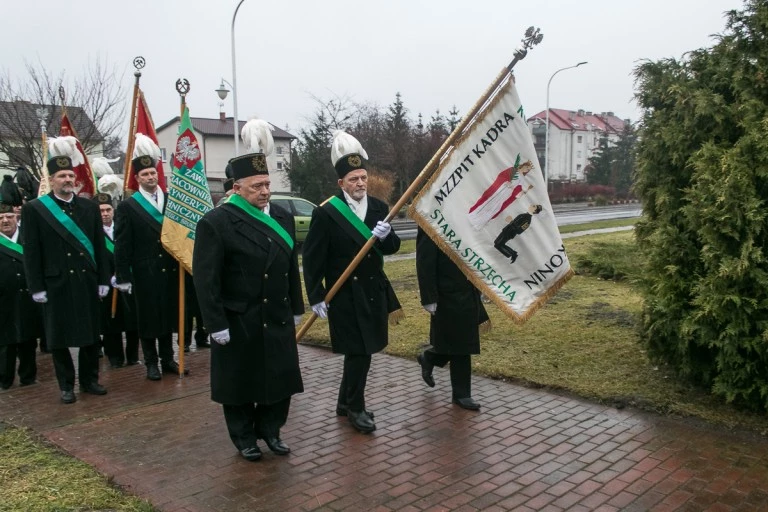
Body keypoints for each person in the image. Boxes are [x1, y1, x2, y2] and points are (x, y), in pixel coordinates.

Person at [194, 119, 304, 462]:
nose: (265, 191)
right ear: (237, 188)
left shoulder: (283, 216)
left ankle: (270, 430)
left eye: (268, 184)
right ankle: (244, 438)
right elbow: (206, 279)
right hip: (239, 317)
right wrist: (216, 324)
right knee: (240, 383)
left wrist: (296, 305)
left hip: (275, 314)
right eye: (257, 186)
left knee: (279, 379)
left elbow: (289, 265)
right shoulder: (216, 222)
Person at [302, 130, 402, 434]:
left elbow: (392, 247)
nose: (360, 184)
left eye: (363, 178)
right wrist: (316, 295)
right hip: (344, 295)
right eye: (353, 180)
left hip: (372, 292)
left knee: (364, 351)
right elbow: (312, 258)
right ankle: (356, 408)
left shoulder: (378, 208)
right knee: (358, 352)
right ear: (341, 183)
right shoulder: (327, 212)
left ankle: (345, 403)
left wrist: (387, 237)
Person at [21, 137, 110, 403]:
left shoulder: (89, 207)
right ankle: (66, 385)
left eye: (71, 175)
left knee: (90, 336)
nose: (68, 179)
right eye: (62, 176)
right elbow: (32, 251)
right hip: (56, 282)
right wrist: (35, 286)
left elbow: (98, 245)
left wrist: (103, 278)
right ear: (52, 179)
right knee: (59, 340)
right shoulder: (35, 210)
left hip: (85, 281)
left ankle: (90, 380)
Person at [114, 134, 183, 380]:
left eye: (153, 173)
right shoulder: (127, 207)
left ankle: (168, 359)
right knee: (148, 321)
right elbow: (122, 245)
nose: (150, 177)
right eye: (145, 175)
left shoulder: (170, 201)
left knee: (167, 317)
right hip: (144, 272)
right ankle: (151, 362)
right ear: (137, 179)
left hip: (169, 269)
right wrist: (123, 275)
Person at [415, 228, 490, 410]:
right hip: (445, 292)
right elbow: (425, 262)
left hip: (468, 289)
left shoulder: (464, 218)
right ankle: (462, 395)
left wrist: (480, 285)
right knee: (460, 342)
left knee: (462, 340)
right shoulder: (431, 220)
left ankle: (430, 358)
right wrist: (429, 297)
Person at [0, 179, 42, 389]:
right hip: (3, 302)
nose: (6, 220)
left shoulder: (27, 239)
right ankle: (5, 379)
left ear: (16, 218)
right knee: (5, 344)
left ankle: (28, 377)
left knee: (27, 341)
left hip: (26, 299)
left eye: (9, 216)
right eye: (1, 218)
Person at [95, 192, 140, 368]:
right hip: (106, 285)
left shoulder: (122, 226)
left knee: (132, 321)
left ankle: (133, 356)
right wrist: (107, 278)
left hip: (127, 281)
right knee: (110, 323)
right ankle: (115, 358)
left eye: (107, 210)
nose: (105, 214)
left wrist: (123, 274)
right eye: (101, 211)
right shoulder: (92, 233)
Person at [468, 160, 533, 231]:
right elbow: (501, 175)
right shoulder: (513, 170)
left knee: (496, 207)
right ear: (523, 165)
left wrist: (520, 191)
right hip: (500, 188)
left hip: (507, 193)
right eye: (527, 167)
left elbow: (518, 190)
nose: (527, 169)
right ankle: (473, 216)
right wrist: (506, 181)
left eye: (528, 169)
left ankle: (480, 223)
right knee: (488, 202)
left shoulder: (522, 178)